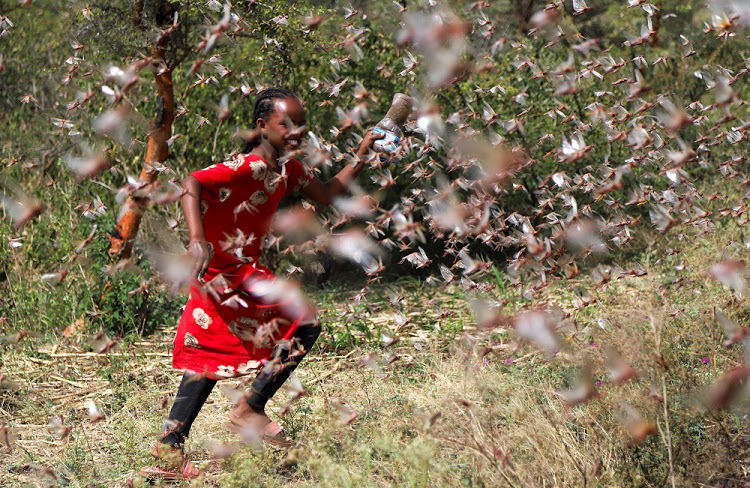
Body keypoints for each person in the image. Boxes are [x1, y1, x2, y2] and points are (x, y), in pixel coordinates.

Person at [149, 88, 383, 477]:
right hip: (219, 273)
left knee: (214, 359)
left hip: (240, 271)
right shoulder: (244, 166)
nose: (297, 132)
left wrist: (361, 155)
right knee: (297, 325)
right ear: (262, 127)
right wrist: (196, 238)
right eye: (286, 124)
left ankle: (175, 445)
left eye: (301, 124)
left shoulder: (288, 169)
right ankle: (242, 412)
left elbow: (326, 193)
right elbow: (192, 182)